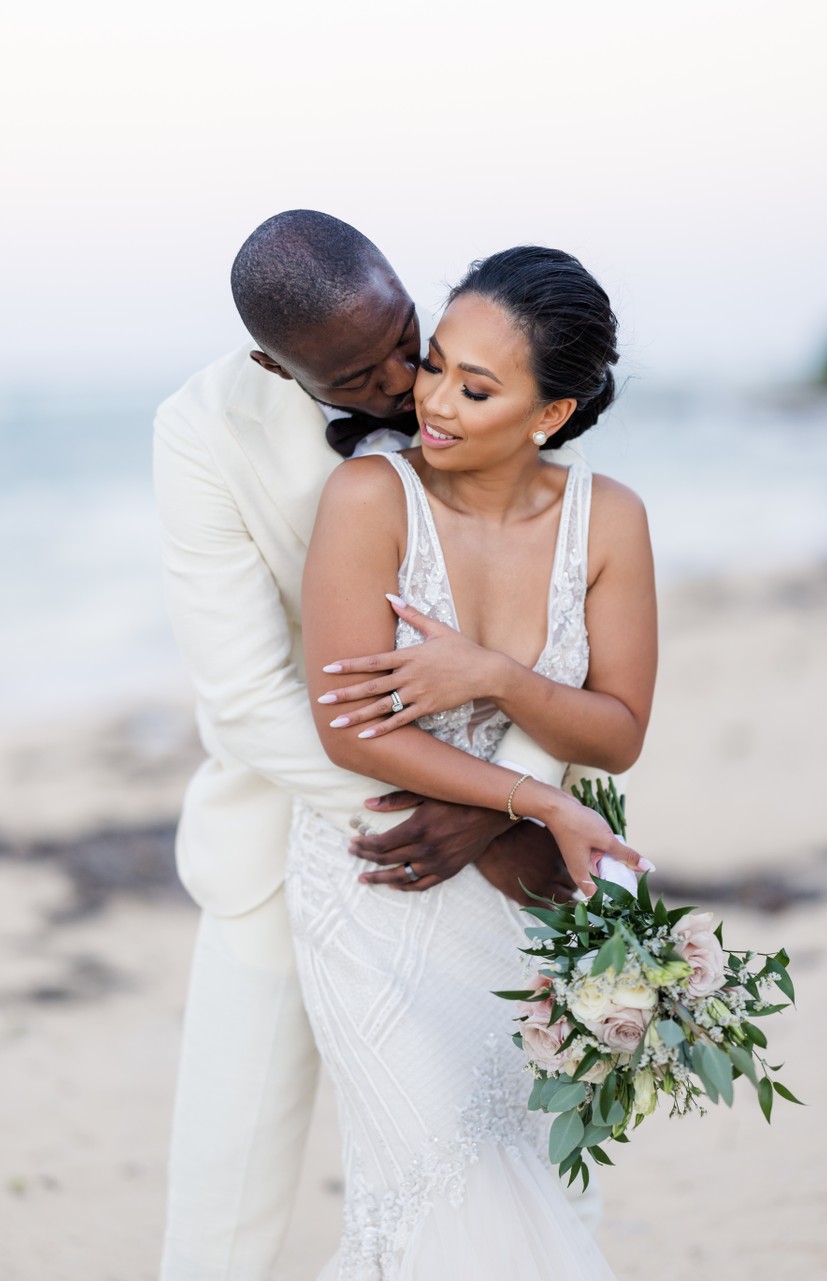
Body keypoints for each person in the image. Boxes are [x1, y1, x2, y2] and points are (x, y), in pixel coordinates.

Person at [153, 212, 600, 1281]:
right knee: (225, 1197)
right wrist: (458, 813)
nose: (406, 380)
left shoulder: (481, 365)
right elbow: (252, 697)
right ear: (276, 362)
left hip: (489, 851)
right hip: (283, 848)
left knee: (492, 1161)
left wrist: (510, 803)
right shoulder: (200, 429)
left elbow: (559, 629)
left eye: (406, 335)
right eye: (361, 371)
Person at [291, 244, 657, 1278]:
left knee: (518, 1168)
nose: (431, 400)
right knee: (428, 1176)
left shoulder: (608, 520)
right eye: (435, 362)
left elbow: (618, 727)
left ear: (551, 414)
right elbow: (347, 729)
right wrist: (535, 798)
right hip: (379, 883)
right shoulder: (369, 496)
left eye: (475, 386)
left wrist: (490, 674)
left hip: (530, 897)